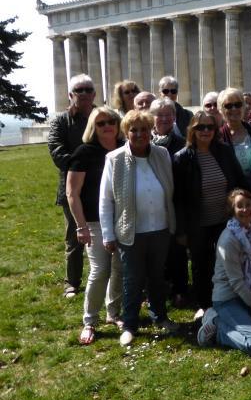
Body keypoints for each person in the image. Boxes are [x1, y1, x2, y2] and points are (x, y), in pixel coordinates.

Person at [99, 110, 179, 346]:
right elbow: (106, 199)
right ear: (126, 133)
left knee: (157, 277)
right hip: (130, 231)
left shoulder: (162, 154)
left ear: (150, 131)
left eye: (144, 129)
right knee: (132, 280)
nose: (140, 134)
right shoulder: (114, 159)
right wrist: (107, 233)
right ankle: (130, 324)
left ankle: (160, 317)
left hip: (160, 227)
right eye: (134, 130)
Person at [173, 111, 251, 317]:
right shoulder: (182, 159)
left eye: (210, 127)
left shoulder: (223, 152)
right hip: (198, 223)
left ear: (215, 130)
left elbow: (240, 178)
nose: (205, 131)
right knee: (200, 264)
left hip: (224, 221)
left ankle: (233, 300)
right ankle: (204, 306)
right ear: (192, 130)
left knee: (227, 263)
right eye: (200, 127)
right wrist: (181, 230)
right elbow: (177, 199)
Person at [67, 106, 124, 344]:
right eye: (101, 123)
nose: (107, 126)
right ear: (93, 127)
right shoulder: (84, 152)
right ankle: (90, 320)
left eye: (111, 121)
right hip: (94, 221)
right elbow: (73, 193)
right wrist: (80, 226)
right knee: (100, 270)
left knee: (119, 270)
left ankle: (113, 313)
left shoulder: (125, 148)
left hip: (123, 220)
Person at [197, 189, 251, 356]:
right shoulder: (228, 240)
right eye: (240, 206)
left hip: (249, 292)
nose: (246, 209)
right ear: (232, 211)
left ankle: (245, 319)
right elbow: (237, 284)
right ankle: (217, 325)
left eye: (248, 205)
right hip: (228, 299)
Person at [48, 73, 97, 298]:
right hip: (71, 187)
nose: (85, 94)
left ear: (95, 93)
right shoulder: (60, 121)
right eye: (80, 90)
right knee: (74, 236)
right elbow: (57, 152)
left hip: (98, 185)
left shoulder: (102, 116)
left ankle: (107, 280)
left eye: (88, 89)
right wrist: (84, 164)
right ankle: (72, 283)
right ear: (71, 95)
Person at [149, 98, 188, 306]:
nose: (164, 118)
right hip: (151, 204)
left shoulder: (182, 144)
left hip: (175, 203)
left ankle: (180, 289)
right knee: (154, 251)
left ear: (174, 117)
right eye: (159, 114)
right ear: (151, 118)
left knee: (177, 250)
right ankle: (156, 289)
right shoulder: (143, 143)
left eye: (168, 114)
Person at [218, 88, 251, 179]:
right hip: (235, 190)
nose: (234, 109)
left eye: (238, 104)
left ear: (243, 107)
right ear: (221, 109)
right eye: (228, 106)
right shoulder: (217, 137)